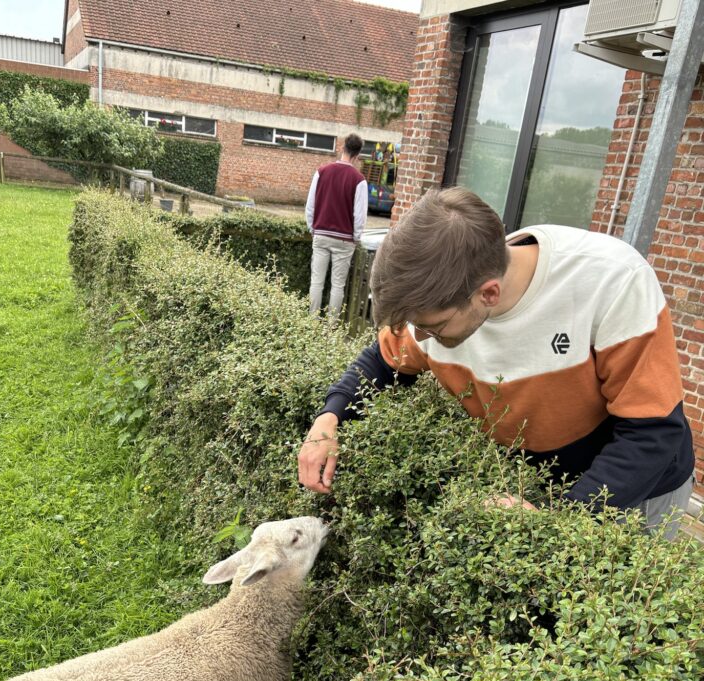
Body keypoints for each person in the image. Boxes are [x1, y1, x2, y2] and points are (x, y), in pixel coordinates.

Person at [298, 186, 696, 538]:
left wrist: (562, 519)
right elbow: (382, 363)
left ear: (488, 294)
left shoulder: (612, 281)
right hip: (534, 483)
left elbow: (651, 433)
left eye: (433, 328)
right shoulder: (444, 293)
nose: (420, 341)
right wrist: (328, 419)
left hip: (638, 491)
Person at [305, 132, 369, 324]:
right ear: (358, 155)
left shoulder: (321, 172)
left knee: (316, 282)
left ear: (342, 148)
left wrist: (312, 228)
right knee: (337, 286)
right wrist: (355, 237)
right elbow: (360, 216)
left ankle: (312, 320)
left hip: (321, 234)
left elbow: (311, 205)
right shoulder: (359, 180)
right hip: (344, 239)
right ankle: (331, 326)